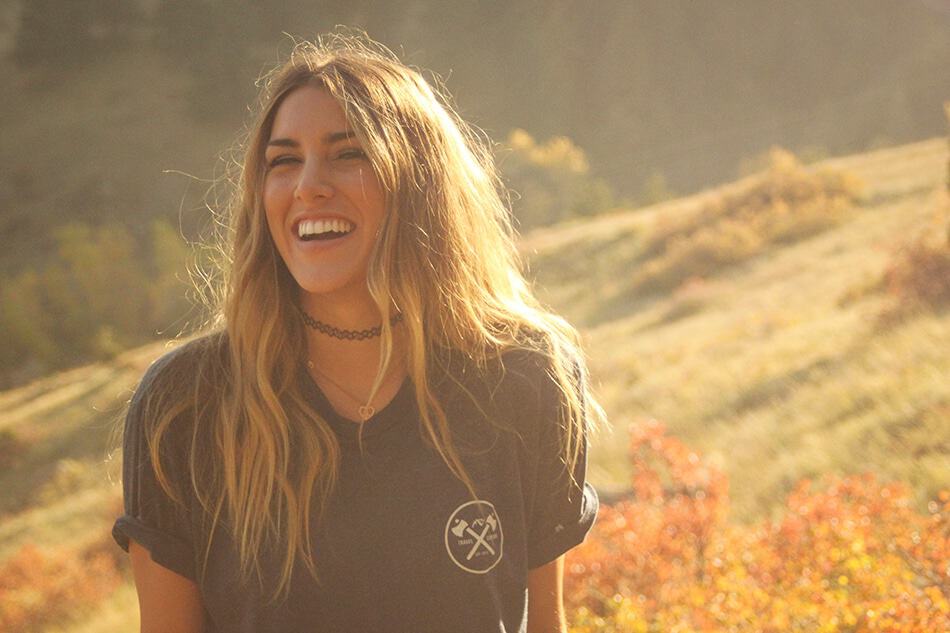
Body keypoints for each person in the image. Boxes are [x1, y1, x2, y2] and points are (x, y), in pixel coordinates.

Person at [111, 32, 606, 633]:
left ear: (420, 183)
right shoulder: (185, 403)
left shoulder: (526, 375)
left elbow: (544, 624)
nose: (307, 186)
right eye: (283, 160)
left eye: (349, 154)